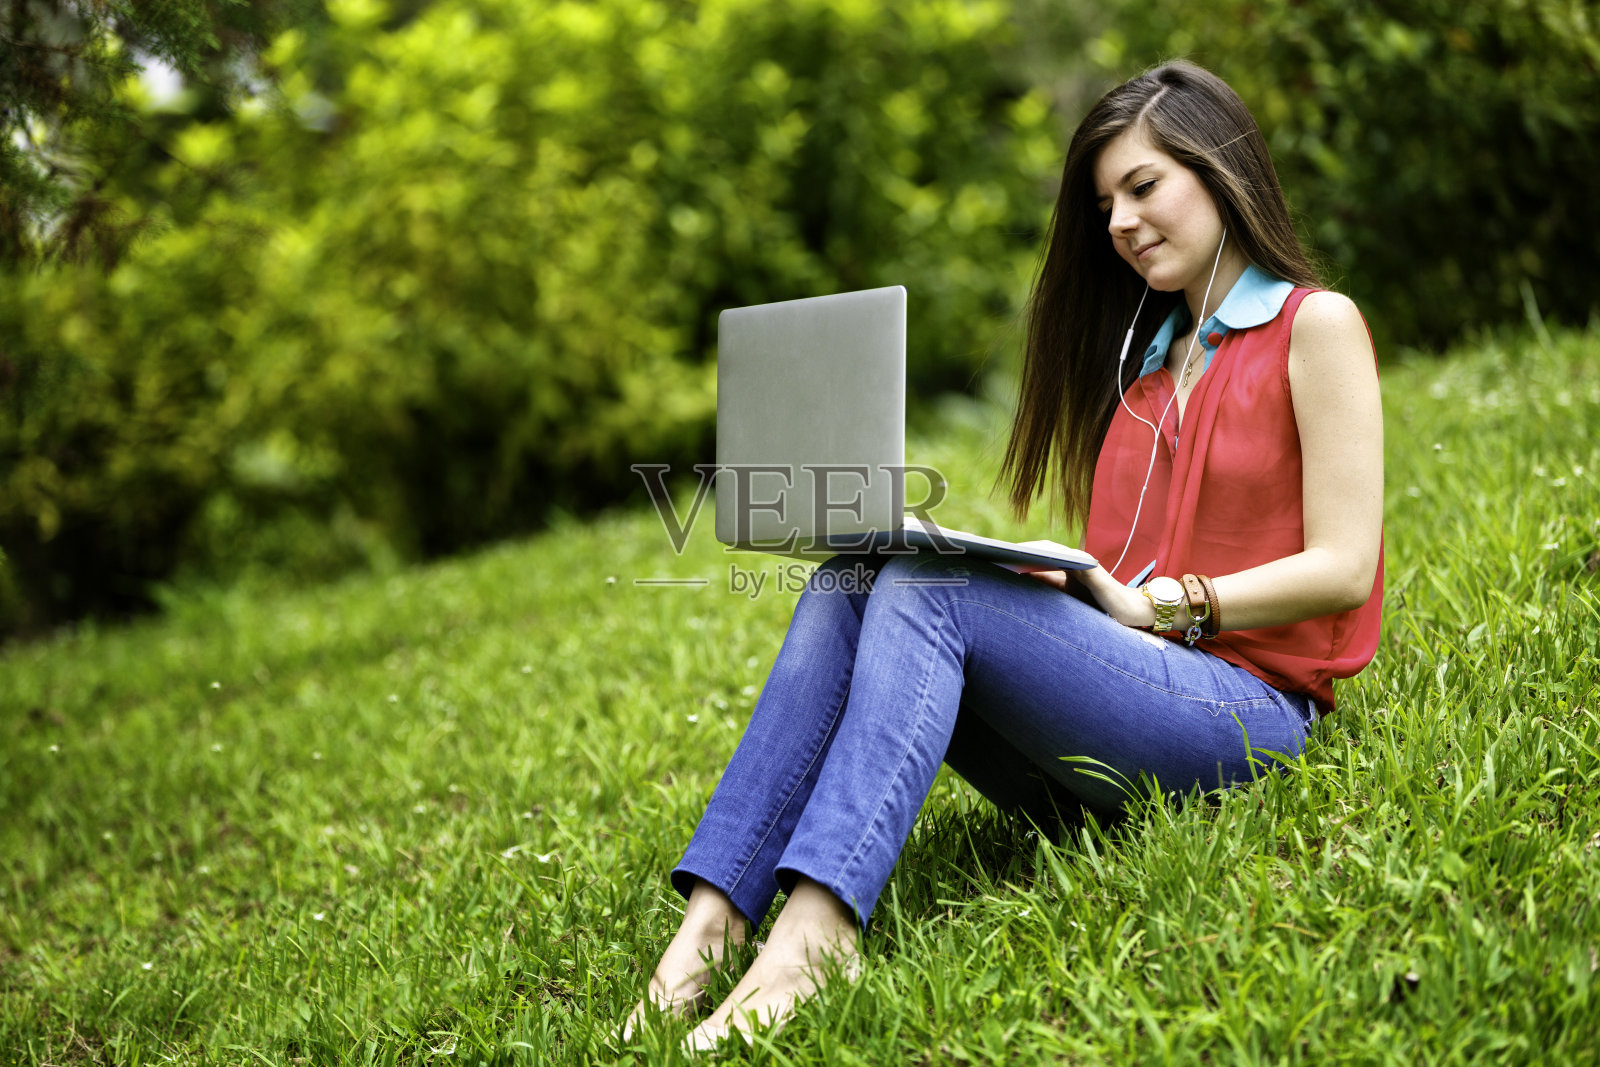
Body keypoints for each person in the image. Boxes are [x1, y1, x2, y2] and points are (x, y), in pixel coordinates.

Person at [624, 60, 1384, 1051]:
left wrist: (1158, 607)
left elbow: (1343, 565)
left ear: (1219, 165)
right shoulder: (1141, 362)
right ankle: (713, 925)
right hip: (1117, 728)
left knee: (929, 587)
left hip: (1247, 716)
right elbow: (1113, 578)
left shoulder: (1311, 325)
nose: (1118, 220)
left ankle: (816, 934)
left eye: (1142, 185)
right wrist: (1047, 587)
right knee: (857, 572)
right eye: (1103, 201)